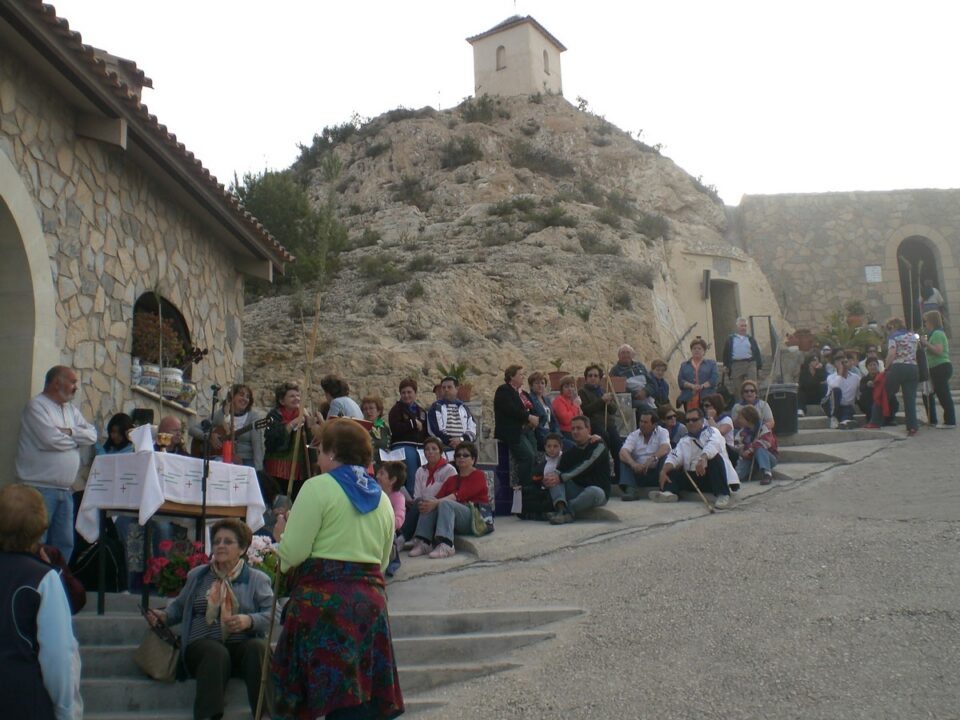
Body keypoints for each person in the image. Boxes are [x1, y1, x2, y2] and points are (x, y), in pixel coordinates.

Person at [271, 419, 402, 718]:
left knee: (312, 697)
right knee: (357, 703)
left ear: (331, 452)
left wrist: (281, 535)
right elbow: (381, 562)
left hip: (323, 606)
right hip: (369, 605)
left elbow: (293, 553)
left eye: (319, 451)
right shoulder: (382, 499)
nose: (317, 459)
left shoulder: (317, 487)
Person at [146, 518, 275, 720]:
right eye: (217, 541)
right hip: (202, 648)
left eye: (228, 541)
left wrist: (249, 620)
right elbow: (179, 607)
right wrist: (163, 616)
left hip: (240, 647)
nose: (220, 546)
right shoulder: (198, 576)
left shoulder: (257, 579)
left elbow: (274, 613)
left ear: (242, 549)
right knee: (215, 652)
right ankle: (208, 716)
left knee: (258, 648)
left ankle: (267, 715)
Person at [0, 484, 83, 720]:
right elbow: (59, 655)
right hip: (21, 699)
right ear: (39, 524)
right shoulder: (43, 578)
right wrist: (68, 711)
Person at [15, 365, 97, 562]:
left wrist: (69, 432)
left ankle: (59, 583)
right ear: (56, 382)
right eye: (72, 382)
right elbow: (49, 439)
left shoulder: (70, 410)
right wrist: (77, 439)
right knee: (36, 542)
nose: (75, 387)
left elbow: (92, 435)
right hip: (39, 489)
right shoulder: (37, 406)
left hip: (64, 490)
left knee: (64, 544)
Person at [409, 441, 491, 559]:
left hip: (475, 518)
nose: (461, 457)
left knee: (445, 503)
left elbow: (460, 495)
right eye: (458, 455)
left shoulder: (478, 475)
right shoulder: (452, 480)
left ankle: (447, 545)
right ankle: (424, 542)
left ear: (473, 459)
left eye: (465, 455)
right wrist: (430, 503)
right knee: (429, 501)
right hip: (456, 518)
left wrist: (436, 502)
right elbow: (437, 498)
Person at [652, 406, 739, 510]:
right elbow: (674, 456)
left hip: (714, 476)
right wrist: (664, 471)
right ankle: (669, 492)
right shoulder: (684, 440)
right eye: (687, 420)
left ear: (702, 420)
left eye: (694, 420)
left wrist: (703, 458)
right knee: (671, 468)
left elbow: (713, 444)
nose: (690, 423)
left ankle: (723, 495)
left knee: (715, 459)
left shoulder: (712, 431)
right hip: (696, 475)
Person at [543, 416, 610, 524]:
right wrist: (548, 480)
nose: (575, 431)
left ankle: (567, 510)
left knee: (594, 491)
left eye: (579, 428)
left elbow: (586, 465)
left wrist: (562, 477)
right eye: (573, 428)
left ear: (588, 429)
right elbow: (559, 472)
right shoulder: (569, 453)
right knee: (553, 478)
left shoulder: (598, 445)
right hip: (576, 490)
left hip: (597, 492)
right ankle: (562, 510)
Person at [264, 382, 320, 500]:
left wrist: (310, 426)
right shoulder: (274, 415)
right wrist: (292, 424)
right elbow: (271, 440)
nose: (297, 399)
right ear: (282, 401)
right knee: (279, 500)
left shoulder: (304, 414)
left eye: (298, 396)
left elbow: (311, 441)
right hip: (277, 468)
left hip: (299, 470)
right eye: (292, 396)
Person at [189, 384, 264, 469]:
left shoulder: (253, 418)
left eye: (248, 397)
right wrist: (209, 436)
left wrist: (258, 470)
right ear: (232, 397)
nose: (245, 399)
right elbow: (192, 429)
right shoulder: (221, 414)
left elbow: (257, 446)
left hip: (245, 460)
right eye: (241, 394)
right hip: (222, 458)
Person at [402, 436, 457, 542]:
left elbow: (451, 495)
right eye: (427, 449)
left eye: (434, 449)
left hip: (439, 507)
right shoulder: (420, 471)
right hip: (423, 506)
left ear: (440, 452)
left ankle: (409, 538)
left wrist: (433, 502)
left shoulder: (450, 470)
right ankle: (404, 537)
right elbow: (417, 495)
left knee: (426, 503)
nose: (430, 452)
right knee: (418, 502)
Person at [494, 365, 539, 490]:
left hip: (527, 431)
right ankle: (525, 488)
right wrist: (528, 417)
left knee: (535, 457)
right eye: (520, 374)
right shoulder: (504, 390)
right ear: (511, 377)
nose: (523, 377)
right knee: (527, 456)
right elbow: (510, 409)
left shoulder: (523, 393)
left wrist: (533, 419)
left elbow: (533, 409)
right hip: (512, 432)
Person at [578, 364, 622, 477]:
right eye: (590, 375)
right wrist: (601, 401)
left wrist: (608, 402)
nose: (593, 378)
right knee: (604, 438)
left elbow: (613, 410)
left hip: (609, 424)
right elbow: (586, 410)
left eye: (596, 376)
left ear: (600, 378)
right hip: (594, 424)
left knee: (618, 445)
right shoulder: (582, 392)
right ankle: (604, 474)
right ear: (586, 378)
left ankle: (620, 478)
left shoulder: (603, 391)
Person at [388, 378, 429, 495]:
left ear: (415, 393)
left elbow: (425, 432)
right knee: (412, 478)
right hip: (402, 447)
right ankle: (410, 501)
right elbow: (395, 429)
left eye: (409, 392)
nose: (406, 395)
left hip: (420, 449)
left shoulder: (421, 411)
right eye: (403, 393)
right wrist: (412, 424)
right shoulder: (396, 410)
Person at [618, 410, 670, 501]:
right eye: (641, 421)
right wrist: (633, 464)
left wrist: (653, 458)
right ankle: (631, 490)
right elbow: (623, 452)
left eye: (645, 422)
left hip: (656, 471)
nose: (642, 424)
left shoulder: (662, 432)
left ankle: (664, 488)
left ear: (654, 424)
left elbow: (665, 447)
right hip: (638, 472)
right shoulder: (634, 435)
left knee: (665, 457)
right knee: (624, 459)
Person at [884, 317, 920, 436]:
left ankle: (876, 419)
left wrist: (885, 367)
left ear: (893, 327)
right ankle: (912, 427)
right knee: (910, 399)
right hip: (913, 367)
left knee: (885, 392)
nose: (888, 331)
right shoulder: (913, 336)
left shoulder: (893, 336)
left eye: (889, 328)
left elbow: (892, 353)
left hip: (898, 366)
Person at [921, 310, 955, 428]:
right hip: (934, 368)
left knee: (943, 394)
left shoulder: (938, 334)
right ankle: (932, 419)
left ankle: (950, 421)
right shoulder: (934, 334)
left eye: (926, 321)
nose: (925, 324)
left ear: (931, 321)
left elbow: (938, 351)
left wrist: (926, 344)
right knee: (929, 393)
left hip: (940, 366)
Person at [427, 376, 477, 449]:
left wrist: (461, 440)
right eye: (443, 388)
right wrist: (451, 442)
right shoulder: (436, 407)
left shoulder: (464, 408)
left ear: (456, 389)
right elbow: (435, 429)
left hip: (463, 448)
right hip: (443, 447)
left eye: (449, 387)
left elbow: (472, 428)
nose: (446, 390)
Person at [377, 461, 407, 577]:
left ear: (393, 480)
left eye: (382, 473)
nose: (377, 476)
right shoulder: (375, 493)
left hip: (388, 532)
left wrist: (385, 524)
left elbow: (399, 519)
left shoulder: (398, 498)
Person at [608, 344, 657, 418]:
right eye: (623, 353)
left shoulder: (640, 366)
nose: (625, 355)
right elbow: (617, 389)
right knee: (645, 408)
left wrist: (645, 392)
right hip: (629, 400)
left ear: (632, 355)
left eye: (628, 352)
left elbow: (652, 383)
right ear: (618, 356)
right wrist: (636, 394)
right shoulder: (615, 371)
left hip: (646, 397)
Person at [735, 405, 779, 485]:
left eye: (741, 418)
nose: (738, 420)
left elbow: (766, 443)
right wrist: (742, 451)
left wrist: (750, 449)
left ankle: (767, 474)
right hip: (750, 459)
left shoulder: (763, 428)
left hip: (768, 458)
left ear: (748, 418)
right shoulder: (742, 432)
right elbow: (738, 444)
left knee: (760, 448)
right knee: (738, 475)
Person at [676, 337, 719, 411]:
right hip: (689, 398)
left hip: (707, 397)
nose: (697, 350)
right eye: (694, 348)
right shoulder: (684, 365)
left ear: (704, 351)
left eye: (699, 348)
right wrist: (692, 386)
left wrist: (702, 386)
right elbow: (680, 381)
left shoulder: (711, 364)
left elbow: (714, 379)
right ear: (691, 350)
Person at [721, 317, 763, 389]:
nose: (743, 328)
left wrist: (759, 367)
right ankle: (739, 400)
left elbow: (757, 353)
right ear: (737, 327)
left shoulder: (750, 339)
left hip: (750, 364)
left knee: (752, 386)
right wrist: (726, 365)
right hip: (736, 364)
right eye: (741, 326)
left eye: (745, 326)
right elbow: (726, 353)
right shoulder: (730, 339)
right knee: (738, 388)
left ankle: (753, 400)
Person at [821, 354, 860, 428]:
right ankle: (833, 418)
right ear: (834, 365)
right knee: (837, 390)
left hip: (846, 406)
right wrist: (841, 372)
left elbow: (859, 393)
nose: (843, 364)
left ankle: (845, 422)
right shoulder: (831, 377)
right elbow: (835, 386)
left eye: (844, 361)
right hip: (830, 405)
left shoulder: (856, 378)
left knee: (848, 410)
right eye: (839, 362)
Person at [703, 392, 738, 464]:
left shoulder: (727, 420)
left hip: (727, 451)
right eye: (703, 405)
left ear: (715, 407)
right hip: (711, 449)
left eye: (707, 406)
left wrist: (710, 418)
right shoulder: (705, 420)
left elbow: (719, 432)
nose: (704, 408)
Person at [527, 371, 558, 450]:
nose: (540, 385)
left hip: (551, 433)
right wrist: (549, 436)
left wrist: (557, 434)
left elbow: (553, 420)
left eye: (542, 383)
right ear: (531, 385)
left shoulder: (547, 400)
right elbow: (536, 423)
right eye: (537, 383)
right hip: (540, 435)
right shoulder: (529, 399)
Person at [551, 375, 582, 443]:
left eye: (572, 386)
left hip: (575, 430)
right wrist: (575, 406)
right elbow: (565, 419)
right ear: (561, 389)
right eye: (566, 387)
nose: (570, 389)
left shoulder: (571, 400)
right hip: (565, 432)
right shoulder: (559, 400)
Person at [361, 394, 392, 460]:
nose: (368, 411)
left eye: (371, 408)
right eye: (365, 409)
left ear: (378, 411)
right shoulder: (361, 428)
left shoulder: (384, 428)